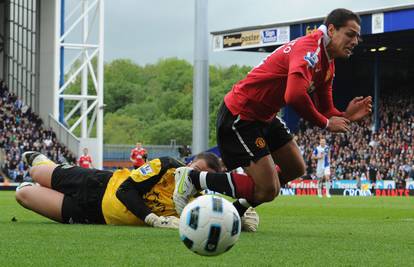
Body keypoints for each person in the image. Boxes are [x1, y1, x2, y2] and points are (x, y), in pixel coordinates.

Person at [173, 8, 372, 217]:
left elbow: (326, 109)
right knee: (269, 189)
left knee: (295, 168)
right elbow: (294, 96)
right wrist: (326, 124)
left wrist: (345, 116)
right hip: (242, 115)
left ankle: (235, 211)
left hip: (265, 116)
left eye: (358, 36)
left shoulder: (328, 62)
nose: (355, 41)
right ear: (331, 30)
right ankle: (191, 178)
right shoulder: (309, 50)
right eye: (350, 34)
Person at [15, 151, 259, 231]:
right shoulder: (167, 165)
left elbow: (218, 219)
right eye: (194, 167)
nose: (192, 173)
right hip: (98, 185)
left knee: (23, 193)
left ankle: (34, 181)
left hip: (95, 215)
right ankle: (43, 162)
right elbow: (125, 191)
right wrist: (151, 219)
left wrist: (241, 209)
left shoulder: (195, 202)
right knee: (37, 172)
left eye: (198, 173)